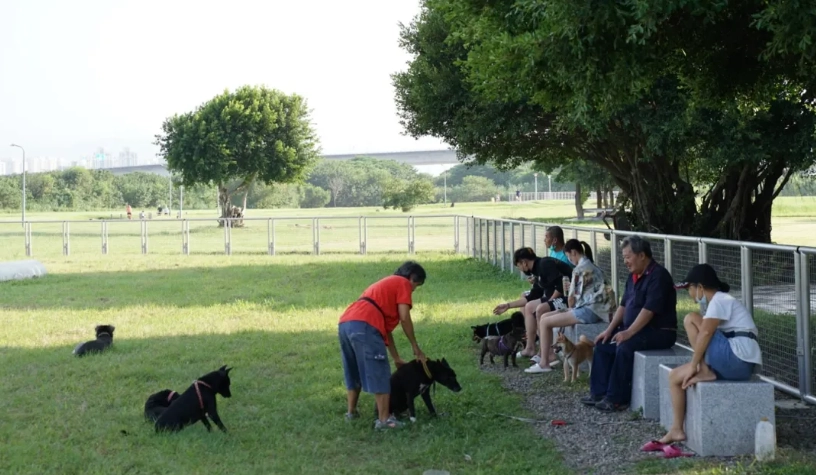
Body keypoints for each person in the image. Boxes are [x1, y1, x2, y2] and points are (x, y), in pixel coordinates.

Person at [650, 264, 762, 447]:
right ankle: (676, 429)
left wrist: (695, 364)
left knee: (691, 318)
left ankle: (703, 368)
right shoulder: (717, 302)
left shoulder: (720, 299)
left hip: (737, 359)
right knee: (674, 377)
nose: (689, 294)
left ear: (700, 287)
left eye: (689, 289)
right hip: (735, 363)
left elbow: (706, 333)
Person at [581, 235, 677, 412]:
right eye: (624, 257)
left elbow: (649, 310)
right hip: (636, 330)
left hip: (659, 332)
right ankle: (599, 393)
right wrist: (609, 330)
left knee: (625, 346)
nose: (625, 261)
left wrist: (629, 332)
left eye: (628, 257)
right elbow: (623, 306)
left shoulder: (659, 276)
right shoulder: (632, 277)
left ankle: (617, 399)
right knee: (603, 344)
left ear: (642, 255)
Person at [338, 261, 428, 431]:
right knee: (380, 372)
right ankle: (384, 420)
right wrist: (415, 347)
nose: (413, 290)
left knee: (353, 369)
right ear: (411, 278)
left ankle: (351, 413)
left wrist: (396, 358)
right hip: (365, 325)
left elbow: (385, 332)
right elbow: (404, 317)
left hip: (347, 323)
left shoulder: (384, 287)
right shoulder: (403, 283)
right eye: (416, 285)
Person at [525, 239, 617, 373]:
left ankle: (544, 363)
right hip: (598, 309)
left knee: (545, 322)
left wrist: (569, 305)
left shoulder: (579, 270)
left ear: (573, 252)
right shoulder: (594, 266)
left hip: (589, 311)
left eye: (568, 256)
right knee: (544, 316)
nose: (569, 260)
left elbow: (572, 299)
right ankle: (548, 356)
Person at [493, 247, 573, 360]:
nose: (520, 269)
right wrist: (508, 305)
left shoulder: (545, 264)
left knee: (541, 309)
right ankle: (530, 348)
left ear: (524, 263)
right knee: (529, 306)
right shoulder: (537, 270)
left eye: (519, 266)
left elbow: (560, 286)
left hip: (568, 298)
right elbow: (532, 296)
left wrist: (549, 303)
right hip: (556, 298)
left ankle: (548, 353)